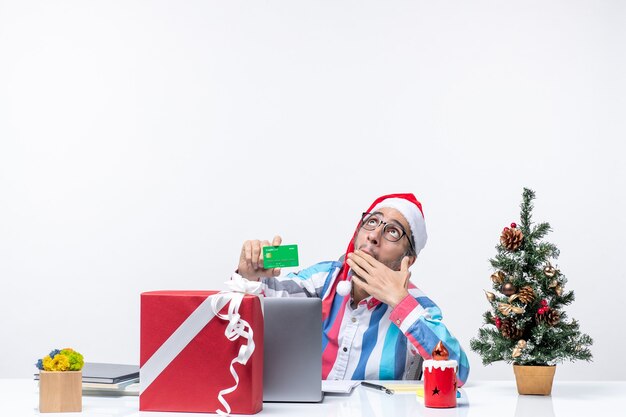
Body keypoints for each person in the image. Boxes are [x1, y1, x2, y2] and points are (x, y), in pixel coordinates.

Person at [235, 193, 469, 385]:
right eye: (372, 222)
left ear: (408, 259)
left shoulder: (417, 307)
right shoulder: (323, 279)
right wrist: (249, 274)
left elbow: (458, 373)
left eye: (393, 231)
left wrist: (400, 302)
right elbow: (250, 313)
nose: (375, 235)